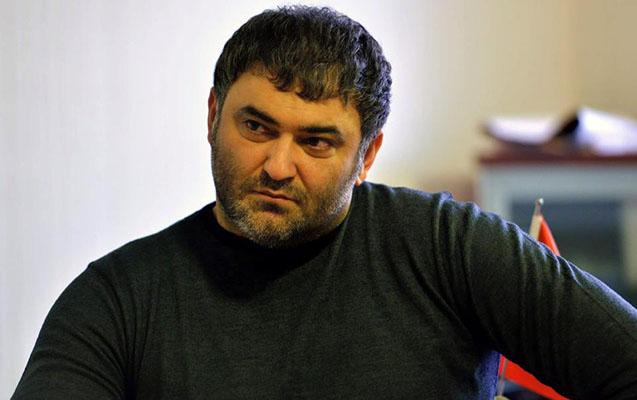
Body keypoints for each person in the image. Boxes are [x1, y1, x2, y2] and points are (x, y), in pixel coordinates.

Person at [12, 5, 637, 399]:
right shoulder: (118, 299)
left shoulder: (448, 248)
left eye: (316, 142)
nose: (278, 166)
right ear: (212, 116)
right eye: (256, 127)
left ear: (366, 155)